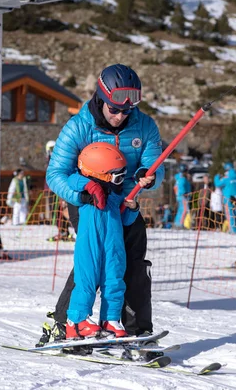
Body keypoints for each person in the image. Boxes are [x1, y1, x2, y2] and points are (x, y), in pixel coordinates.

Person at [44, 64, 164, 343]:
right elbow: (55, 175)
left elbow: (155, 167)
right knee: (92, 261)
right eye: (115, 110)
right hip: (87, 200)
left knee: (132, 264)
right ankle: (66, 323)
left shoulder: (144, 125)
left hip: (127, 202)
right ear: (102, 98)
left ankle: (134, 330)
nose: (121, 116)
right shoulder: (78, 126)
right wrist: (80, 194)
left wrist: (150, 176)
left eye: (127, 111)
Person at [64, 142, 139, 339]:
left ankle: (110, 320)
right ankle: (77, 321)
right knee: (86, 280)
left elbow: (124, 220)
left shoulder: (115, 196)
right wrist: (89, 186)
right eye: (118, 175)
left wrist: (132, 208)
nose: (121, 180)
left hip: (113, 245)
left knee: (114, 280)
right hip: (90, 242)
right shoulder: (85, 191)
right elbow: (72, 179)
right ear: (100, 173)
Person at [214, 162, 236, 234]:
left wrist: (216, 177)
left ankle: (233, 230)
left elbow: (217, 184)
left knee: (230, 214)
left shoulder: (226, 178)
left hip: (228, 199)